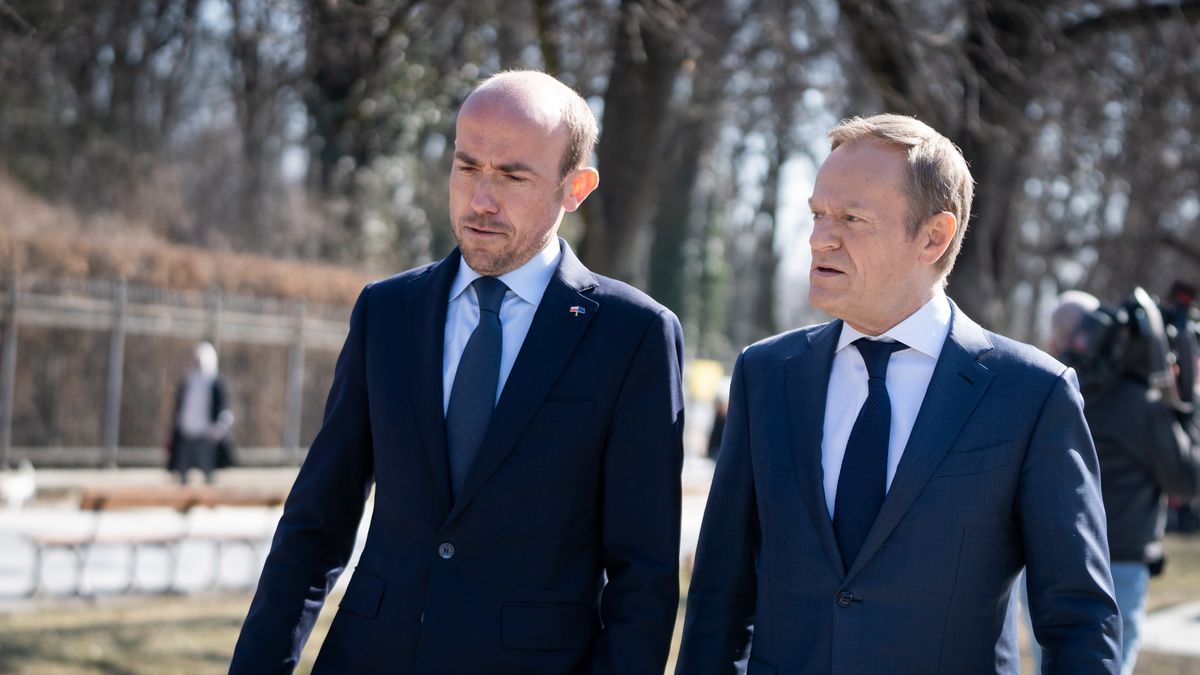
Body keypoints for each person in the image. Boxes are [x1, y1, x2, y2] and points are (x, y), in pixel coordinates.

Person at [230, 71, 685, 674]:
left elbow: (643, 576)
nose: (481, 200)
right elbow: (316, 523)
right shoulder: (387, 312)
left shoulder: (632, 334)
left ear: (575, 188)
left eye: (513, 175)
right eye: (467, 167)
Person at [676, 114, 1120, 674]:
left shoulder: (1032, 394)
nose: (818, 239)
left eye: (851, 218)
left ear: (933, 237)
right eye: (816, 214)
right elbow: (720, 593)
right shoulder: (766, 373)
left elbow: (1078, 619)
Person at [1049, 290, 1200, 675]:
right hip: (1118, 571)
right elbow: (1188, 480)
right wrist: (1188, 405)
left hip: (1049, 564)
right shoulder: (1140, 405)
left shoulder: (1056, 394)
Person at [167, 340, 233, 485]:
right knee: (182, 472)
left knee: (207, 472)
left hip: (205, 435)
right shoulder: (188, 380)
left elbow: (224, 409)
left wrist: (218, 429)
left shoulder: (215, 382)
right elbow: (180, 407)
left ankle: (209, 502)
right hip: (186, 432)